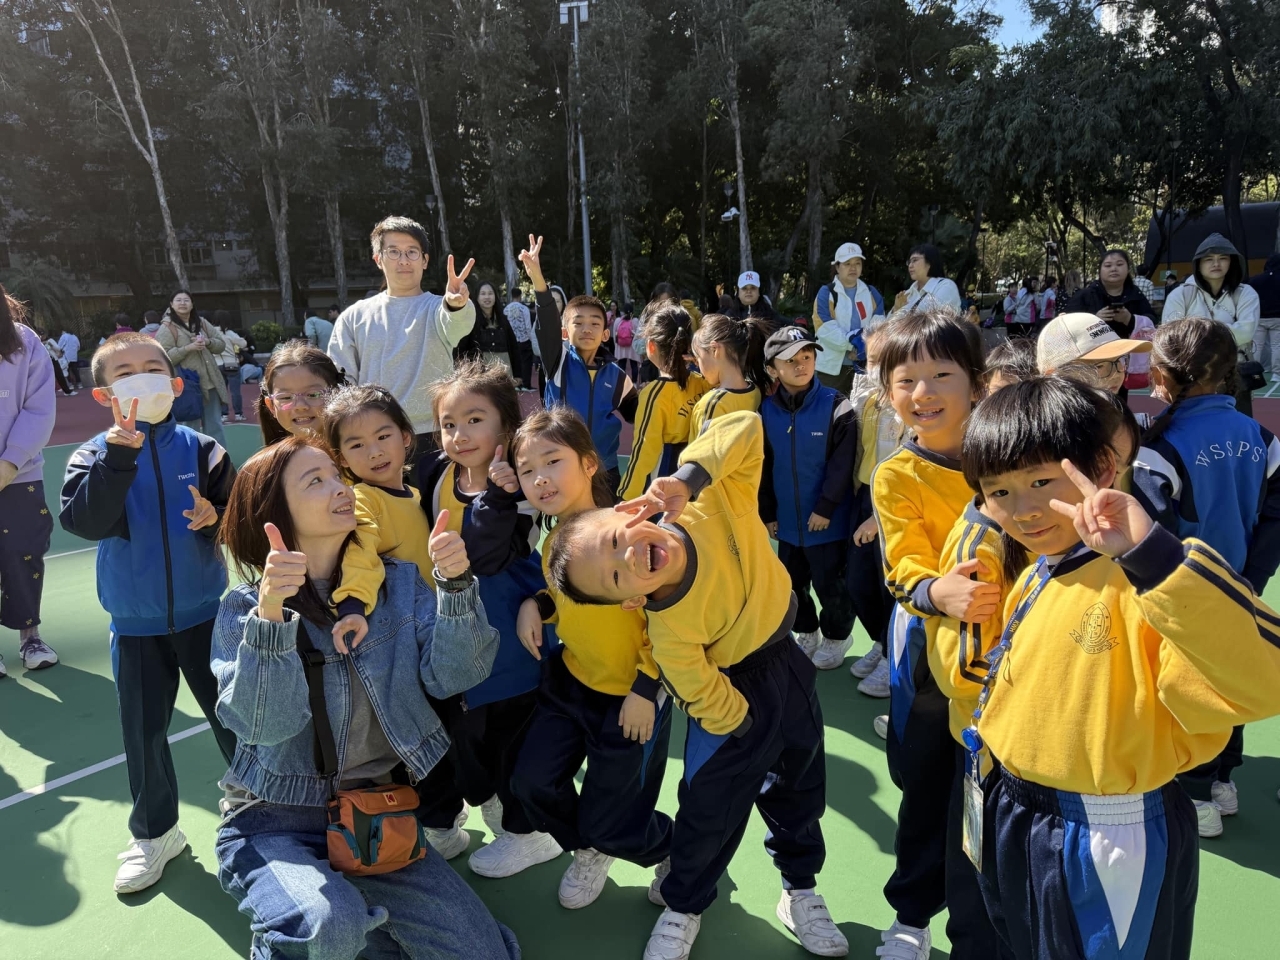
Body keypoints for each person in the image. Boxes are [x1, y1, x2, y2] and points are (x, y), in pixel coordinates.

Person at [961, 377, 1280, 960]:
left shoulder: (1150, 582)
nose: (1023, 509)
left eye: (1040, 481)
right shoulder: (1040, 570)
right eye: (999, 491)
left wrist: (1155, 559)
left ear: (1103, 468)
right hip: (1018, 808)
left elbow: (1263, 680)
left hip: (1105, 832)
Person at [545, 412, 848, 960]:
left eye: (615, 539)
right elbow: (698, 688)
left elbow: (745, 427)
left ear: (631, 511)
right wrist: (743, 724)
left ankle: (799, 887)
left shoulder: (712, 502)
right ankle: (684, 904)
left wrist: (688, 477)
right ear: (632, 602)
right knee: (708, 808)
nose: (628, 557)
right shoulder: (668, 632)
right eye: (615, 576)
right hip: (736, 696)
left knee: (802, 788)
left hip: (789, 664)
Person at [211, 436, 520, 960]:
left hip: (374, 819)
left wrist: (456, 584)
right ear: (274, 513)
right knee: (325, 927)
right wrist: (271, 616)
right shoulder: (245, 608)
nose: (341, 488)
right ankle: (310, 927)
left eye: (337, 476)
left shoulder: (399, 583)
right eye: (316, 481)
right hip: (273, 818)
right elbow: (264, 726)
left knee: (483, 953)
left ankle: (339, 924)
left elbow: (455, 675)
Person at [59, 332, 239, 893]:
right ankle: (157, 833)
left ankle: (255, 802)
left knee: (235, 718)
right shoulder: (92, 455)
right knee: (144, 735)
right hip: (134, 623)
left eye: (153, 369)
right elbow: (86, 521)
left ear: (176, 384)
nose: (141, 380)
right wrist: (119, 457)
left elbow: (236, 515)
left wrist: (215, 518)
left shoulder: (205, 450)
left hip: (207, 617)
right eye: (125, 373)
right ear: (103, 395)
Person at [506, 407, 674, 910]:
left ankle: (674, 846)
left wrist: (646, 687)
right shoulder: (554, 541)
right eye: (527, 470)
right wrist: (537, 605)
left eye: (552, 461)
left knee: (617, 815)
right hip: (572, 684)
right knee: (530, 782)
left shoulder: (631, 532)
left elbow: (671, 623)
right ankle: (589, 847)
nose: (540, 478)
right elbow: (567, 599)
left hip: (631, 699)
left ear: (589, 462)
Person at [869, 309, 996, 960]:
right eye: (905, 380)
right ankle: (911, 916)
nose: (923, 392)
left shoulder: (1008, 454)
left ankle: (980, 931)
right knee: (925, 792)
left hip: (1010, 658)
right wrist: (935, 592)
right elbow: (905, 566)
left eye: (941, 374)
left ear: (977, 380)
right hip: (929, 661)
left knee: (989, 801)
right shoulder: (897, 475)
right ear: (887, 394)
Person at [404, 361, 562, 879]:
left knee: (512, 736)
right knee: (466, 734)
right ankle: (488, 807)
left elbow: (487, 555)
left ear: (506, 426)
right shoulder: (435, 473)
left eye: (475, 420)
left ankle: (530, 834)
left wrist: (498, 493)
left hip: (509, 636)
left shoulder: (520, 484)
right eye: (449, 424)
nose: (460, 434)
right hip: (453, 635)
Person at [1131, 317, 1280, 838]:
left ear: (1163, 377)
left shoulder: (1159, 448)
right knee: (1228, 674)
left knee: (1188, 685)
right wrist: (1252, 578)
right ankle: (1222, 780)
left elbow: (1151, 531)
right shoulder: (1262, 436)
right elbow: (1275, 513)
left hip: (1183, 593)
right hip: (1240, 583)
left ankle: (1195, 792)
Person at [327, 215, 477, 455]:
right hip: (375, 438)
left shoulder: (437, 308)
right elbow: (341, 381)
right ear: (378, 259)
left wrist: (456, 304)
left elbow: (459, 324)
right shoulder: (354, 316)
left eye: (412, 252)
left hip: (435, 433)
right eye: (394, 252)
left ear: (425, 260)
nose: (404, 260)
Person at [759, 327, 859, 671]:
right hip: (787, 523)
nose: (801, 364)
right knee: (791, 583)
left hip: (827, 523)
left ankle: (837, 636)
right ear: (772, 369)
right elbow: (764, 466)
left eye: (807, 356)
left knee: (831, 584)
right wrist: (768, 513)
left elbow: (842, 464)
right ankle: (807, 632)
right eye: (790, 360)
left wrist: (826, 507)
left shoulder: (837, 405)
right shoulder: (764, 411)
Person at [524, 234, 638, 493]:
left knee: (605, 518)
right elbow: (547, 324)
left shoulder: (617, 376)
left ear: (605, 334)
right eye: (578, 323)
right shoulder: (558, 362)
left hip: (605, 469)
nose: (587, 328)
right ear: (565, 332)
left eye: (595, 323)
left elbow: (639, 415)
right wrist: (538, 280)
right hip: (560, 467)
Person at [0, 286, 58, 677]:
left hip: (20, 475)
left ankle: (30, 637)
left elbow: (39, 408)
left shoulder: (24, 341)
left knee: (24, 554)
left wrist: (10, 462)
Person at [845, 329, 902, 702]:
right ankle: (882, 643)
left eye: (883, 360)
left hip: (895, 501)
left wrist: (878, 516)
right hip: (865, 495)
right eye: (871, 359)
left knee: (889, 586)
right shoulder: (869, 398)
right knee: (858, 582)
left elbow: (908, 461)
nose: (875, 368)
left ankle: (892, 657)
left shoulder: (908, 405)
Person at [617, 302, 709, 501]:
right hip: (699, 477)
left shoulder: (653, 394)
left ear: (651, 346)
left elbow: (644, 451)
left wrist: (626, 496)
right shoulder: (703, 383)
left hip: (665, 478)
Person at [1163, 233, 1262, 417]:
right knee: (1193, 426)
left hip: (1234, 373)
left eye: (1223, 258)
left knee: (1237, 426)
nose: (1216, 263)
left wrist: (1197, 332)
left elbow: (1246, 332)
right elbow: (1172, 335)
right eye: (1208, 259)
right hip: (1192, 375)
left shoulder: (1246, 293)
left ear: (1232, 262)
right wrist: (1225, 330)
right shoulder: (1180, 295)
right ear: (1198, 264)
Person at [155, 290, 229, 446]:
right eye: (178, 300)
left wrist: (207, 342)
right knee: (189, 426)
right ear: (171, 304)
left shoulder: (202, 323)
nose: (182, 303)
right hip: (187, 385)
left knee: (215, 425)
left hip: (209, 382)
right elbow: (163, 357)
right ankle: (189, 457)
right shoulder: (167, 327)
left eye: (186, 300)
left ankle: (218, 457)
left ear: (192, 304)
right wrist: (188, 348)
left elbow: (221, 345)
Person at [811, 243, 886, 393]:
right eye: (847, 264)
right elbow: (825, 329)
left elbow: (879, 326)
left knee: (863, 406)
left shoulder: (871, 292)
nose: (853, 268)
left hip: (864, 367)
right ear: (837, 267)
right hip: (832, 369)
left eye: (857, 263)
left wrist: (864, 349)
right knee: (831, 406)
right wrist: (854, 346)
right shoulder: (826, 293)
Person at [686, 312, 770, 439]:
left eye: (698, 358)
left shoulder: (712, 404)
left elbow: (703, 451)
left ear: (715, 350)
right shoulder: (756, 391)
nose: (697, 365)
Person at [1038, 312, 1154, 395]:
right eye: (1099, 366)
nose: (1116, 374)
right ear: (1055, 375)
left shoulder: (1111, 413)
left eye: (1119, 360)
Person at [257, 342, 347, 445]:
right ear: (271, 406)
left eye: (313, 395)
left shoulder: (360, 451)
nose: (300, 406)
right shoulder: (276, 455)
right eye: (286, 397)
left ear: (337, 395)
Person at [1062, 249, 1155, 345]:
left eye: (1119, 264)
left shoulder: (1135, 293)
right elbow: (1067, 324)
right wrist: (1094, 320)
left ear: (1128, 269)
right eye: (1108, 265)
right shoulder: (1085, 295)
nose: (1114, 269)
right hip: (1094, 351)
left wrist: (1130, 319)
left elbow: (1151, 321)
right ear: (1100, 271)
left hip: (1129, 350)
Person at [889, 244, 962, 319]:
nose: (910, 265)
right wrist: (896, 310)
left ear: (929, 262)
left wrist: (901, 316)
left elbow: (934, 321)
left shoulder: (946, 287)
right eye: (909, 262)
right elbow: (887, 323)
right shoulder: (908, 294)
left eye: (915, 260)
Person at [468, 281, 520, 375]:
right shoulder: (470, 321)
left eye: (490, 293)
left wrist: (518, 374)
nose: (487, 297)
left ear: (495, 296)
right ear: (477, 297)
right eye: (483, 294)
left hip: (505, 373)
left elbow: (513, 347)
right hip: (481, 375)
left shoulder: (503, 321)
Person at [1248, 254, 1280, 389]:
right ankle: (1276, 374)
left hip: (1260, 317)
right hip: (1278, 318)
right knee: (1277, 346)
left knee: (1257, 347)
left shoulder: (1256, 280)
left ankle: (1254, 373)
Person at [214, 312, 248, 422]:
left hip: (217, 364)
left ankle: (224, 415)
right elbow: (243, 344)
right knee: (235, 391)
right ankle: (238, 414)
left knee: (222, 392)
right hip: (231, 364)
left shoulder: (211, 333)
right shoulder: (230, 333)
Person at [504, 288, 535, 390]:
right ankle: (526, 384)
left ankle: (516, 383)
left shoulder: (506, 309)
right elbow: (528, 326)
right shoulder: (524, 309)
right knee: (526, 362)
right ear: (520, 296)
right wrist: (531, 339)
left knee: (514, 362)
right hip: (524, 339)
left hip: (511, 340)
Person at [611, 305, 641, 382]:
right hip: (632, 347)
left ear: (623, 311)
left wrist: (616, 344)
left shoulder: (618, 321)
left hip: (621, 346)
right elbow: (638, 335)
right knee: (634, 365)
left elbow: (614, 335)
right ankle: (634, 383)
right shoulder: (635, 321)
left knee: (621, 365)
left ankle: (622, 382)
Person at [41, 331, 75, 396]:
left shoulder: (50, 340)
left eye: (43, 334)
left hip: (53, 359)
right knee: (46, 377)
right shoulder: (37, 343)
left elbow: (58, 348)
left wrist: (49, 344)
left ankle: (67, 391)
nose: (42, 336)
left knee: (59, 375)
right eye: (40, 335)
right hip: (43, 361)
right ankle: (47, 393)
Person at [57, 324, 83, 389]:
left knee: (66, 371)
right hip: (74, 357)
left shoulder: (64, 336)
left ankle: (70, 385)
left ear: (64, 331)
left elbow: (59, 346)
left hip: (66, 357)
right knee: (75, 370)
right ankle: (79, 384)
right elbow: (78, 346)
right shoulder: (75, 337)